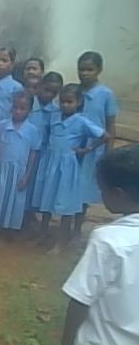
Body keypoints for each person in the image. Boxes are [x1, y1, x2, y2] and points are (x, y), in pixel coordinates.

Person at [59, 143, 139, 345]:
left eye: (101, 189)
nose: (98, 194)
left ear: (118, 194)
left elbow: (81, 298)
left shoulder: (108, 240)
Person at [38, 85, 108, 255]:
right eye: (62, 101)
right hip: (51, 163)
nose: (65, 105)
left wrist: (87, 149)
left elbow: (104, 136)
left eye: (69, 102)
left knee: (66, 204)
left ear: (78, 103)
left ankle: (61, 242)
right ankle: (42, 234)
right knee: (46, 200)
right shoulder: (54, 117)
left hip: (68, 166)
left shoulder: (81, 121)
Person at [0, 93, 41, 240]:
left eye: (22, 108)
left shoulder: (32, 130)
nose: (18, 111)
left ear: (29, 110)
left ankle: (8, 232)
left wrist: (27, 176)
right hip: (0, 169)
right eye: (15, 107)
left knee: (14, 201)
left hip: (19, 172)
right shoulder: (1, 125)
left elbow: (33, 154)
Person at [74, 51, 117, 238]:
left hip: (94, 148)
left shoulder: (106, 94)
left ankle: (76, 229)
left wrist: (109, 151)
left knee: (84, 189)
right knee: (70, 184)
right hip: (74, 146)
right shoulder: (74, 91)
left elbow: (110, 124)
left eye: (89, 69)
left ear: (99, 70)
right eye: (81, 69)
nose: (84, 73)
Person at [28, 72, 63, 235]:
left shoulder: (56, 111)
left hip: (43, 155)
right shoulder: (28, 104)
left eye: (54, 92)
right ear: (40, 86)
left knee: (37, 187)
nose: (49, 95)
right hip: (25, 152)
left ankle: (32, 219)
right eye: (47, 90)